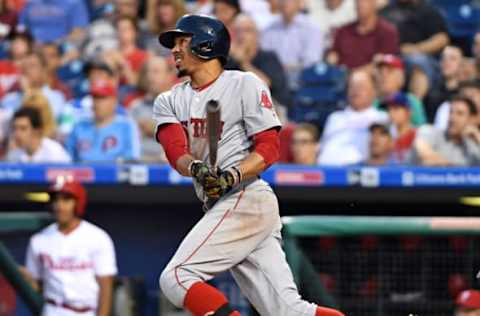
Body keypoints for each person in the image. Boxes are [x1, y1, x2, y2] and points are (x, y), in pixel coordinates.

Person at [154, 14, 344, 316]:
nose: (174, 50)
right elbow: (174, 149)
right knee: (289, 312)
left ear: (205, 45)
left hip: (245, 195)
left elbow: (269, 148)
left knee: (176, 278)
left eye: (182, 42)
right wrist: (196, 168)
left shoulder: (244, 83)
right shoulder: (169, 100)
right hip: (224, 202)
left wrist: (231, 175)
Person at [23, 177, 117, 316]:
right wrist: (25, 277)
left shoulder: (97, 237)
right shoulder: (38, 240)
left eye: (66, 200)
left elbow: (106, 287)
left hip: (86, 311)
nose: (59, 206)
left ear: (77, 203)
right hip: (53, 309)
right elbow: (37, 286)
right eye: (56, 200)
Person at [381, 0, 449, 101]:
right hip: (391, 56)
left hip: (420, 57)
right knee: (382, 66)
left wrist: (415, 49)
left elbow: (442, 39)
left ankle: (414, 108)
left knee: (418, 62)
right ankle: (381, 107)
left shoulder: (428, 11)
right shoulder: (386, 11)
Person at [318, 70, 388, 165]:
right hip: (327, 173)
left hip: (363, 174)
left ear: (374, 91)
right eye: (352, 86)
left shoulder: (382, 118)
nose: (355, 90)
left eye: (360, 86)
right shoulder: (335, 118)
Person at [66, 79, 140, 162]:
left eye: (102, 97)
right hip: (84, 173)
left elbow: (131, 160)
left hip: (113, 173)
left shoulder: (126, 126)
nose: (97, 102)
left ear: (114, 101)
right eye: (95, 97)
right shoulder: (79, 126)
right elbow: (68, 159)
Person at [226, 14, 291, 107]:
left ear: (257, 34)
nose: (241, 35)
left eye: (247, 31)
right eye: (237, 31)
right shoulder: (228, 62)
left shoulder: (268, 57)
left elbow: (265, 85)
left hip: (270, 109)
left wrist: (243, 63)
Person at [261, 0, 323, 89]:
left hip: (302, 85)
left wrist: (284, 68)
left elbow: (311, 63)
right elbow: (264, 58)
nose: (285, 3)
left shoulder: (312, 29)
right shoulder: (268, 29)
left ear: (299, 3)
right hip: (273, 84)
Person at [327, 0, 399, 70]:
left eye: (365, 1)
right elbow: (333, 55)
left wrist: (362, 72)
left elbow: (389, 64)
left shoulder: (387, 32)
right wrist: (331, 59)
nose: (360, 4)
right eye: (357, 1)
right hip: (342, 76)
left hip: (371, 77)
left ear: (374, 4)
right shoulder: (342, 31)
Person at [130, 56, 175, 162]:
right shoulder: (136, 106)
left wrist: (153, 128)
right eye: (148, 72)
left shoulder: (181, 104)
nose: (150, 77)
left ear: (169, 76)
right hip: (139, 163)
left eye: (156, 72)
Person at [413, 96, 480, 166]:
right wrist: (458, 171)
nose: (452, 118)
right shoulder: (429, 131)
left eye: (460, 114)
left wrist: (477, 136)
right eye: (451, 112)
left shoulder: (472, 147)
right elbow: (425, 156)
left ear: (471, 119)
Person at [1, 51, 66, 120]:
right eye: (24, 66)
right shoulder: (9, 99)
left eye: (32, 66)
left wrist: (27, 92)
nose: (26, 70)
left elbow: (44, 122)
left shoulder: (55, 97)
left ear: (43, 70)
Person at [374, 54, 426, 126]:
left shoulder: (411, 101)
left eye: (389, 72)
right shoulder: (372, 104)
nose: (384, 76)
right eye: (380, 72)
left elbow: (420, 129)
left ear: (400, 77)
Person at [103, 16, 149, 86]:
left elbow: (136, 84)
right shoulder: (109, 55)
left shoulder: (144, 56)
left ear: (135, 32)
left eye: (126, 29)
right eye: (119, 29)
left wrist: (123, 63)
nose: (122, 32)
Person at [18, 0, 89, 44]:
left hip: (61, 47)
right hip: (32, 47)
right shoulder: (30, 3)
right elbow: (21, 28)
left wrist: (56, 44)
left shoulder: (74, 2)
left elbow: (79, 32)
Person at [425, 46, 464, 122]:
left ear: (461, 65)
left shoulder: (465, 92)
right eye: (443, 58)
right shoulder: (431, 91)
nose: (446, 61)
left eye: (452, 58)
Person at [380, 93, 416, 164]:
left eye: (396, 108)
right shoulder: (385, 137)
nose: (391, 113)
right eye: (388, 109)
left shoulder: (417, 135)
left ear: (408, 112)